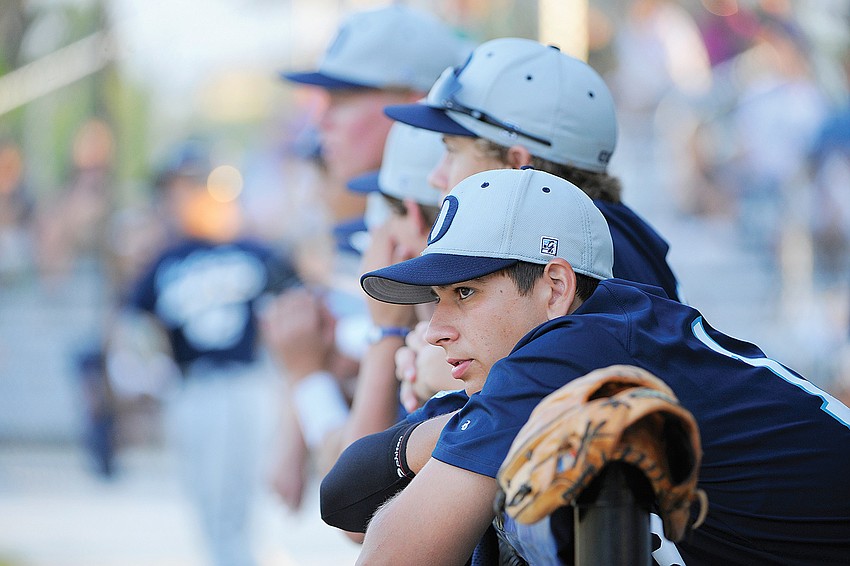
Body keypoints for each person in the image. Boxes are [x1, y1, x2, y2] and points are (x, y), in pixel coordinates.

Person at [321, 168, 850, 565]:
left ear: (556, 287)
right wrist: (454, 431)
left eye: (465, 292)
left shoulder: (575, 349)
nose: (436, 328)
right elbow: (342, 496)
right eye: (438, 298)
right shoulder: (589, 340)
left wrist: (475, 431)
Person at [384, 37, 683, 413]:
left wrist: (444, 379)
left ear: (515, 165)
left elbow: (581, 413)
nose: (436, 176)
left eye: (452, 151)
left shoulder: (588, 255)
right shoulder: (606, 233)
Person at [263, 3, 470, 506]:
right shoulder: (383, 217)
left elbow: (357, 507)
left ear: (416, 104)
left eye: (345, 97)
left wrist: (308, 379)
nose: (321, 120)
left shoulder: (448, 231)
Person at [124, 142, 299, 566]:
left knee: (242, 499)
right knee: (207, 500)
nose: (180, 197)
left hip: (247, 380)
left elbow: (294, 305)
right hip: (193, 386)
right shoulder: (165, 260)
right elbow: (132, 324)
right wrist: (146, 369)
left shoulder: (256, 251)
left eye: (188, 186)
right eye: (173, 189)